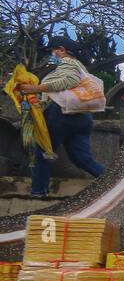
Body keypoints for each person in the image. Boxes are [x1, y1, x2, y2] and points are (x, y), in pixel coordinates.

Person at [15, 36, 105, 198]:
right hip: (82, 118)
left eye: (52, 51)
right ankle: (111, 182)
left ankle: (38, 193)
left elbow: (69, 80)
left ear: (61, 50)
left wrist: (35, 88)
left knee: (43, 153)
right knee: (82, 159)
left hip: (61, 114)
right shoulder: (81, 67)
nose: (51, 55)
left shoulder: (67, 63)